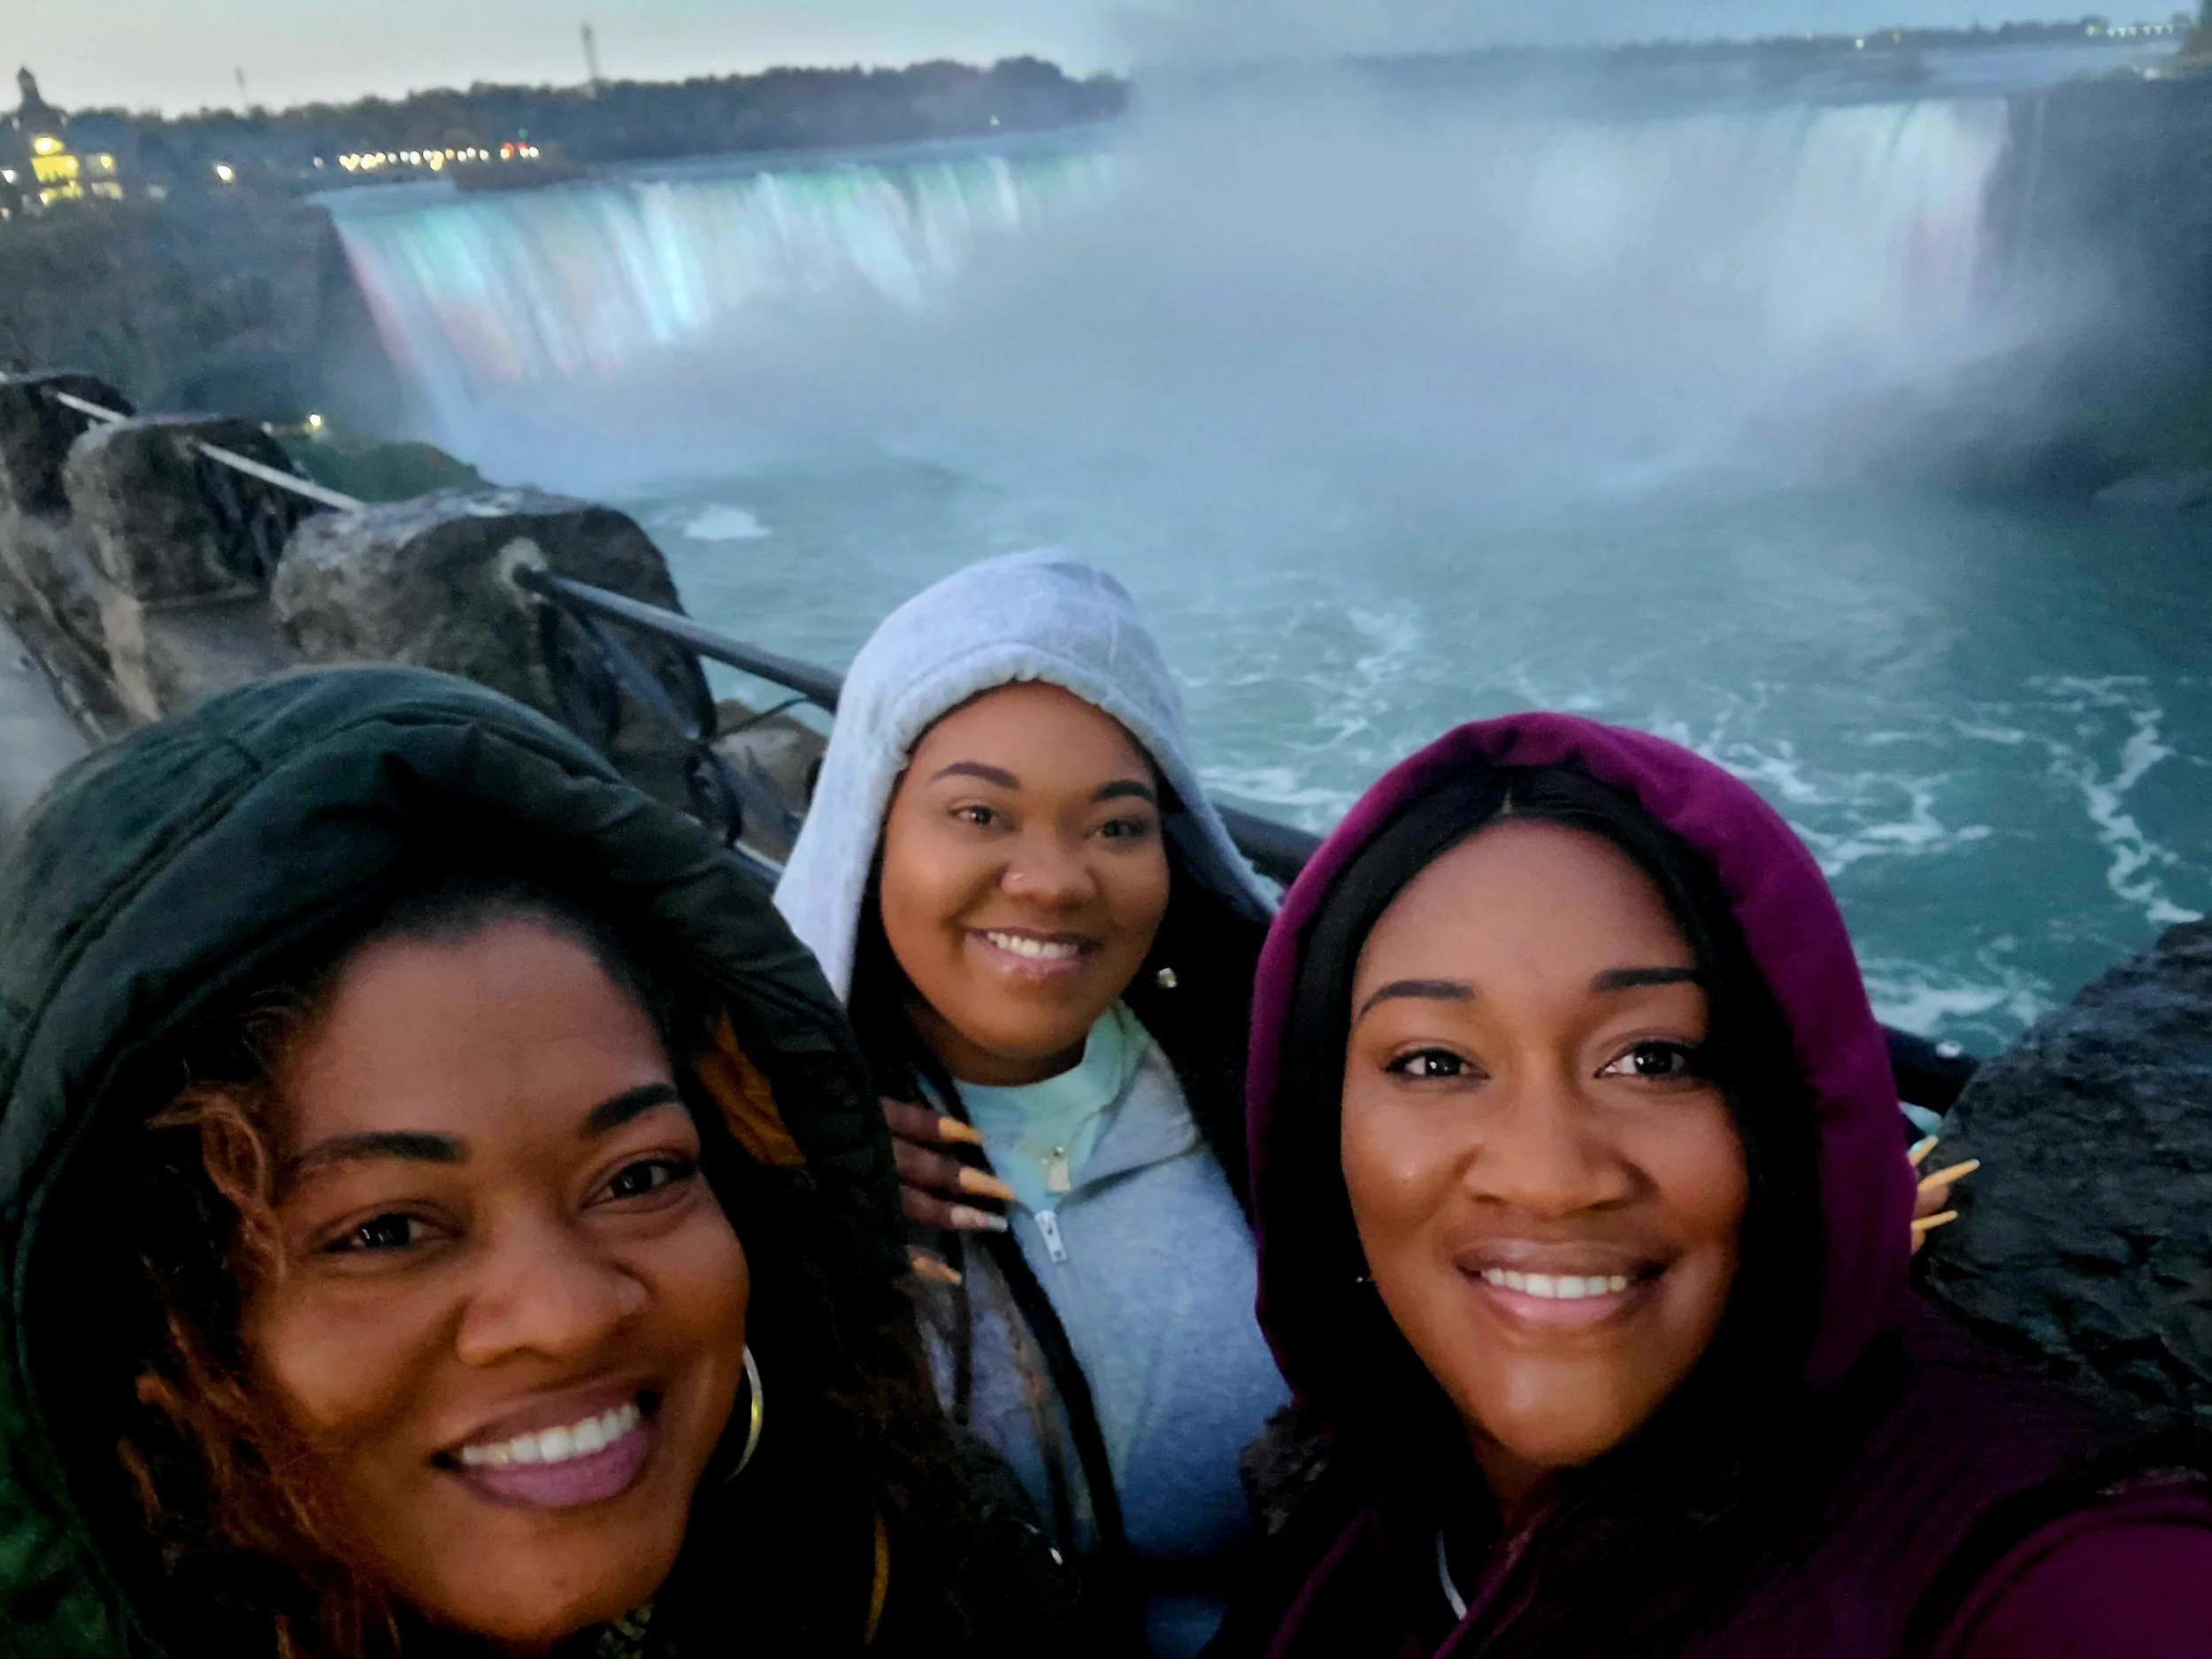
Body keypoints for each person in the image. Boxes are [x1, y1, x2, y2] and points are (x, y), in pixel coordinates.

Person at [0, 667, 1074, 1659]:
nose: (565, 1316)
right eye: (384, 1231)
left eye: (639, 1176)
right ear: (145, 1323)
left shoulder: (925, 1575)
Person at [1210, 712, 2212, 1659]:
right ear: (1315, 1124)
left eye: (1655, 1060)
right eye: (1434, 1062)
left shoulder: (2032, 1571)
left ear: (1792, 1108)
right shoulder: (1373, 1478)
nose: (1551, 1179)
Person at [774, 549, 1290, 1657]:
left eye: (1115, 825)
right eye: (978, 815)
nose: (1054, 880)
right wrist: (760, 1184)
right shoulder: (745, 1137)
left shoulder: (1285, 1106)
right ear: (869, 829)